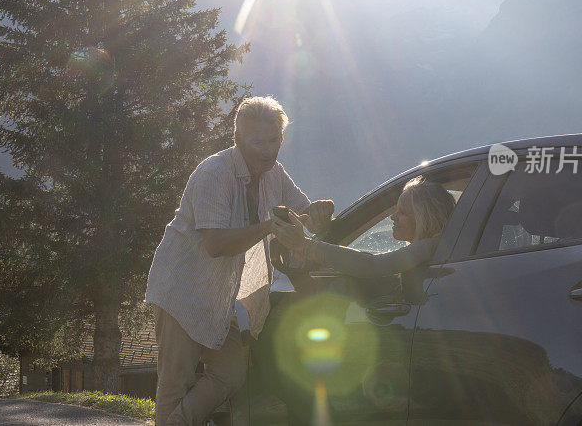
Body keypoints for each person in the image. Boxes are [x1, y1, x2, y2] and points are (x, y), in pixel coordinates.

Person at [145, 96, 334, 426]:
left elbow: (304, 216)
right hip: (180, 289)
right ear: (238, 139)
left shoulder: (275, 173)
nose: (267, 150)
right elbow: (215, 244)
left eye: (273, 140)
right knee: (175, 383)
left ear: (282, 139)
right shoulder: (214, 173)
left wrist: (320, 211)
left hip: (219, 293)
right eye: (257, 142)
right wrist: (268, 227)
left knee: (231, 373)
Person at [273, 176, 455, 277]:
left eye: (403, 213)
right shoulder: (432, 247)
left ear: (425, 218)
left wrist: (303, 245)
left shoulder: (429, 245)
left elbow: (373, 265)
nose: (393, 217)